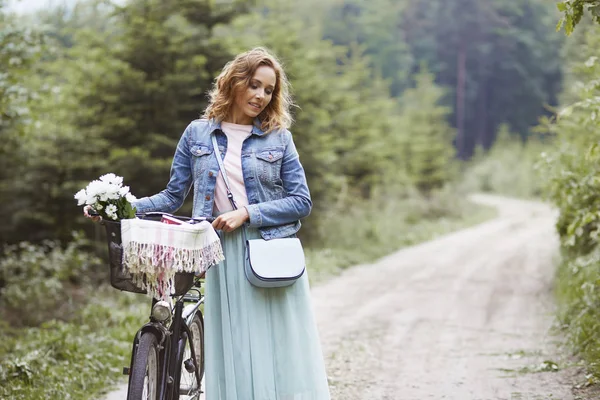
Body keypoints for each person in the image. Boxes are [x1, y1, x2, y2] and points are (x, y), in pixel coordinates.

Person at [86, 47, 330, 399]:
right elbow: (171, 196)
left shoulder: (280, 138)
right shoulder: (197, 134)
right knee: (235, 342)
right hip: (221, 252)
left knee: (274, 342)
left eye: (269, 90)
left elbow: (301, 201)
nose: (261, 96)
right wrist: (119, 207)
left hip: (268, 248)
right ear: (234, 82)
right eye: (254, 85)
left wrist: (248, 213)